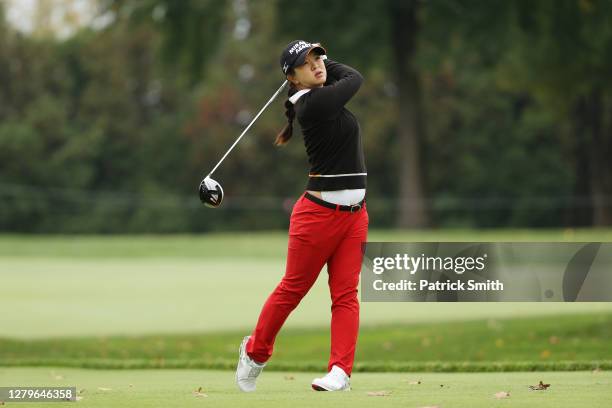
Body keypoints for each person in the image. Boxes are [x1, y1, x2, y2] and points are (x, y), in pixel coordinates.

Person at [235, 40, 369, 392]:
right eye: (306, 63)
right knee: (293, 290)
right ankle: (255, 351)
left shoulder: (323, 97)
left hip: (355, 216)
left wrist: (318, 61)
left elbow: (342, 79)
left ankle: (340, 371)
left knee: (345, 295)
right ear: (291, 78)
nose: (317, 65)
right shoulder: (309, 104)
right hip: (317, 217)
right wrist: (329, 63)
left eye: (318, 58)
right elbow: (355, 77)